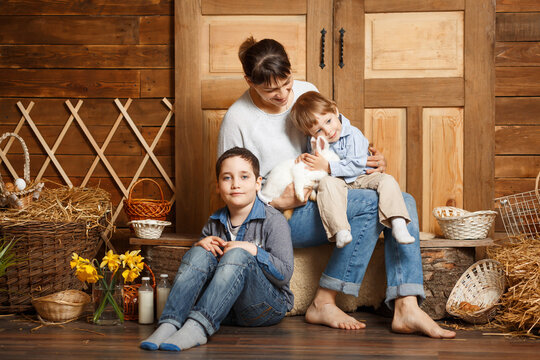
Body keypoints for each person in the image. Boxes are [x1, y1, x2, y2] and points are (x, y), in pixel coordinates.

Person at [218, 36, 455, 338]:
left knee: (402, 198)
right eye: (270, 89)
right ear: (249, 81)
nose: (283, 95)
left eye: (286, 83)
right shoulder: (237, 119)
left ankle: (406, 305)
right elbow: (231, 189)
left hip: (323, 193)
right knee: (373, 204)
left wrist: (370, 161)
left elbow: (339, 140)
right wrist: (276, 202)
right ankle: (324, 301)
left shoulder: (305, 92)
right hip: (276, 218)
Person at [140, 147, 294, 351]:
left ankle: (198, 328)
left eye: (244, 177)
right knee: (199, 251)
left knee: (239, 253)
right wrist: (200, 247)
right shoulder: (214, 222)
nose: (236, 184)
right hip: (224, 310)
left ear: (258, 183)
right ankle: (170, 323)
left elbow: (284, 274)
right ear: (218, 186)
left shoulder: (274, 221)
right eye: (227, 178)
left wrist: (252, 250)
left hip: (262, 308)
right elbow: (203, 271)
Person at [289, 91, 415, 249]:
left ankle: (398, 222)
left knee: (387, 180)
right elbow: (316, 164)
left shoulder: (353, 134)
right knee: (326, 184)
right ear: (310, 134)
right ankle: (340, 230)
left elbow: (356, 165)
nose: (327, 131)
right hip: (338, 183)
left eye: (328, 121)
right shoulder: (315, 141)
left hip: (362, 176)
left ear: (335, 111)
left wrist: (328, 166)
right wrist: (305, 160)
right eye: (318, 130)